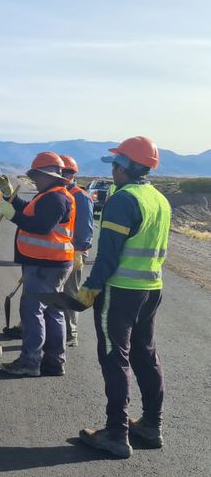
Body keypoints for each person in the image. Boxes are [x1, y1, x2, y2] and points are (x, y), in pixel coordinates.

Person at [74, 137, 169, 459]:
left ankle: (116, 433)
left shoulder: (123, 199)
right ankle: (151, 426)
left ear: (126, 166)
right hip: (151, 288)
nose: (112, 170)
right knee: (146, 355)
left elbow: (109, 255)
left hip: (120, 291)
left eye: (115, 164)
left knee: (116, 358)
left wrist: (91, 287)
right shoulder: (159, 199)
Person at [0, 152, 75, 377]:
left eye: (37, 176)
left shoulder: (55, 197)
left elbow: (41, 226)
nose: (35, 180)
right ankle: (53, 362)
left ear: (48, 175)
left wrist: (12, 216)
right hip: (51, 263)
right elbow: (31, 212)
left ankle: (30, 362)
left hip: (45, 264)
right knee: (52, 312)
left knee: (33, 312)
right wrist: (11, 197)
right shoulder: (50, 195)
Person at [59, 154, 94, 347]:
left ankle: (70, 333)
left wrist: (79, 252)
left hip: (75, 251)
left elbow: (85, 230)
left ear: (69, 174)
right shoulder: (60, 194)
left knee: (70, 291)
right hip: (58, 251)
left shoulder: (81, 197)